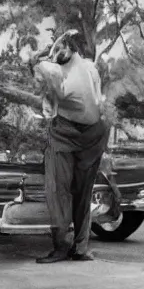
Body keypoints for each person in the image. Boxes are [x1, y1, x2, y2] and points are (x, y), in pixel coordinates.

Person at [32, 30, 108, 264]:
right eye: (55, 50)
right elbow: (38, 70)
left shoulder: (88, 67)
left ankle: (81, 248)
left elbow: (97, 97)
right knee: (59, 189)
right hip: (64, 134)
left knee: (83, 193)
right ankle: (61, 247)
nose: (58, 52)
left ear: (71, 46)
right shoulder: (54, 69)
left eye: (61, 47)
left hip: (92, 136)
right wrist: (41, 56)